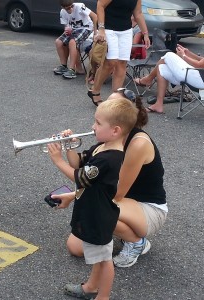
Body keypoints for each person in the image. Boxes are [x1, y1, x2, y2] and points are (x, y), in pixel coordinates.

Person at [52, 89, 168, 268]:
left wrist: (74, 196)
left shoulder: (138, 144)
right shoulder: (110, 138)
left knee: (96, 207)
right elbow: (80, 166)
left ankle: (136, 242)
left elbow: (118, 193)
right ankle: (115, 232)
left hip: (147, 208)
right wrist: (68, 146)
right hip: (119, 202)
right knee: (75, 247)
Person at [47, 98, 139, 299]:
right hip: (92, 210)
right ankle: (90, 287)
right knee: (98, 257)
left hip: (98, 215)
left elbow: (79, 178)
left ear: (115, 130)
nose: (92, 126)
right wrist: (69, 147)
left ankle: (102, 296)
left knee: (104, 260)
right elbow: (80, 164)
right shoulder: (102, 146)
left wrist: (57, 160)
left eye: (98, 123)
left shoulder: (110, 157)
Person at [87, 0, 150, 106]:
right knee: (110, 63)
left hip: (126, 31)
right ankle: (95, 91)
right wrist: (101, 29)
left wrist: (145, 34)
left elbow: (138, 14)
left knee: (122, 64)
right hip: (109, 29)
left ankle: (115, 98)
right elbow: (100, 5)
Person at [134, 44, 204, 113]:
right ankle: (158, 104)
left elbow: (199, 65)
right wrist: (189, 54)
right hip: (198, 77)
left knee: (168, 55)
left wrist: (183, 56)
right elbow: (201, 62)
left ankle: (148, 79)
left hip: (199, 79)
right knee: (162, 68)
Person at [53, 0, 97, 79]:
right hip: (73, 29)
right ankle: (63, 65)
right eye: (68, 8)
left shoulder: (80, 6)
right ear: (63, 7)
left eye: (71, 6)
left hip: (86, 28)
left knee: (72, 42)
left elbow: (95, 16)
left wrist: (95, 31)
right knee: (58, 42)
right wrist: (67, 30)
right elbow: (66, 26)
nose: (71, 9)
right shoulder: (62, 12)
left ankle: (72, 69)